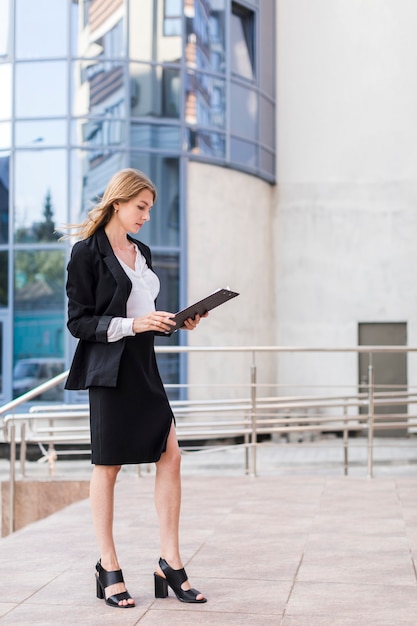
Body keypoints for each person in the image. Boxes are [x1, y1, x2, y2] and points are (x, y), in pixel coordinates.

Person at [65, 168, 207, 609]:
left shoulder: (140, 250)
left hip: (144, 367)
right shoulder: (85, 253)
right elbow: (79, 322)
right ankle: (107, 564)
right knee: (108, 466)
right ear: (118, 202)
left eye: (149, 208)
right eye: (141, 207)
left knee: (172, 456)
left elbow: (143, 313)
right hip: (109, 371)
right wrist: (135, 324)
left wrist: (173, 322)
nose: (146, 216)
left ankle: (170, 560)